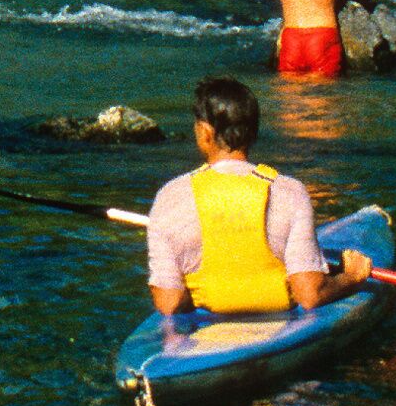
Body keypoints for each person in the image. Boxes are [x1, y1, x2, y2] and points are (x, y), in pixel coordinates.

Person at [146, 74, 376, 319]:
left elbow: (168, 301)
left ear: (204, 132)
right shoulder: (290, 192)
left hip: (206, 328)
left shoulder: (169, 196)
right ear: (254, 132)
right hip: (279, 319)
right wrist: (351, 277)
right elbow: (310, 295)